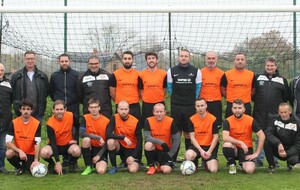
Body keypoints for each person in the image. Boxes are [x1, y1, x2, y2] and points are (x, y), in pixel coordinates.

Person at [253, 56, 290, 169]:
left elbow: (285, 98)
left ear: (276, 67)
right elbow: (253, 95)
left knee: (273, 137)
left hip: (274, 115)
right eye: (268, 65)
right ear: (265, 66)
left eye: (272, 66)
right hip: (259, 113)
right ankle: (258, 159)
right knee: (260, 136)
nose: (269, 67)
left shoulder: (282, 80)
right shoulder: (258, 77)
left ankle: (275, 160)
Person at [167, 49, 202, 160]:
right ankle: (173, 159)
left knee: (188, 133)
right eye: (181, 56)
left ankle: (189, 158)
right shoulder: (171, 71)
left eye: (186, 56)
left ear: (189, 58)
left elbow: (198, 87)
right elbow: (169, 88)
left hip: (190, 106)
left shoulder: (196, 71)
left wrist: (191, 100)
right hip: (176, 105)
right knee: (177, 133)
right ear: (178, 57)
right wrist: (177, 98)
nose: (183, 58)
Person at [222, 99, 265, 174]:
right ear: (232, 109)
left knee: (249, 170)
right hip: (234, 148)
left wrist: (257, 153)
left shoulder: (250, 120)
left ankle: (243, 164)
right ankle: (232, 164)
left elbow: (262, 136)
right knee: (226, 145)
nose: (237, 110)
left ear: (244, 109)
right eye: (235, 108)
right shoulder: (227, 121)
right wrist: (240, 143)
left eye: (239, 108)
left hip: (246, 149)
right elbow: (225, 137)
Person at [40, 100, 81, 175]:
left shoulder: (70, 115)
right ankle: (52, 164)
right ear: (53, 110)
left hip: (68, 145)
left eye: (61, 109)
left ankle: (71, 163)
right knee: (44, 152)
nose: (59, 112)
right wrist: (58, 162)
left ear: (65, 109)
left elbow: (78, 126)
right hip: (55, 145)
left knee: (77, 151)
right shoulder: (50, 123)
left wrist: (75, 139)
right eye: (57, 109)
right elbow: (53, 143)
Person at [10, 50, 49, 123]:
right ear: (24, 60)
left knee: (36, 134)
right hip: (22, 113)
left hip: (38, 113)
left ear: (35, 59)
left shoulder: (43, 76)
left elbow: (46, 92)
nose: (30, 61)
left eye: (32, 58)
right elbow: (12, 93)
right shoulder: (16, 76)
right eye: (28, 59)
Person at [5, 99, 42, 175]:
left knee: (30, 170)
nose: (26, 111)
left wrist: (36, 160)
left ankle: (25, 165)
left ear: (31, 110)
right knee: (8, 153)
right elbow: (7, 142)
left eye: (28, 109)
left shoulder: (36, 123)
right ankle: (19, 167)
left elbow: (37, 143)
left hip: (30, 153)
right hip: (18, 152)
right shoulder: (14, 122)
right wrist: (19, 151)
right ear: (20, 110)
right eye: (23, 109)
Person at [106, 100, 142, 174]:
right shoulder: (114, 118)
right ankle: (114, 166)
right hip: (120, 146)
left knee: (132, 170)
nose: (123, 111)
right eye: (121, 109)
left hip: (131, 148)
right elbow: (108, 134)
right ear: (117, 110)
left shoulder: (135, 121)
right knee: (110, 141)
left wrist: (133, 156)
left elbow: (140, 140)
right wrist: (123, 138)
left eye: (125, 109)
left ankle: (129, 161)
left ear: (129, 109)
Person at [50, 53, 80, 140]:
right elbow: (51, 91)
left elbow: (80, 91)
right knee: (60, 130)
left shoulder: (77, 75)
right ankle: (59, 149)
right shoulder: (54, 76)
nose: (64, 63)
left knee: (74, 130)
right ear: (59, 62)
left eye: (66, 61)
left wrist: (75, 100)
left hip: (73, 107)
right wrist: (57, 100)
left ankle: (74, 151)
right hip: (59, 108)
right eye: (62, 61)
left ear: (70, 61)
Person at [184, 98, 219, 173]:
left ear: (206, 106)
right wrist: (201, 150)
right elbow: (192, 137)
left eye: (202, 105)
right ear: (195, 107)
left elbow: (216, 137)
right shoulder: (192, 119)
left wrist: (209, 151)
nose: (200, 108)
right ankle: (194, 163)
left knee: (213, 170)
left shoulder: (213, 119)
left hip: (209, 147)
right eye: (198, 106)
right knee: (188, 155)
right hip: (197, 146)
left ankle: (207, 162)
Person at [144, 103, 180, 175]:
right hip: (154, 150)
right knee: (148, 144)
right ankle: (152, 166)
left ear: (165, 112)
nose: (159, 114)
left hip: (166, 151)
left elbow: (177, 139)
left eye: (161, 111)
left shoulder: (171, 121)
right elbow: (147, 137)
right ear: (153, 112)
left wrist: (170, 154)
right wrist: (161, 142)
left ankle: (161, 164)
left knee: (166, 171)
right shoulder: (148, 120)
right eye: (157, 112)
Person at [265, 103, 300, 173]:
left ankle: (290, 164)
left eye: (285, 112)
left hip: (291, 150)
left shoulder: (297, 123)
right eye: (281, 112)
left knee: (293, 160)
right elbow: (268, 133)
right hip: (279, 148)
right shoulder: (275, 121)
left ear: (290, 111)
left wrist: (287, 153)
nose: (283, 114)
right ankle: (271, 166)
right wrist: (278, 143)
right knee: (266, 142)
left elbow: (298, 144)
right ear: (278, 112)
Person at [80, 98, 110, 175]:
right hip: (90, 147)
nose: (94, 109)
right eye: (91, 107)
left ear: (99, 108)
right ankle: (88, 166)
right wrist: (98, 137)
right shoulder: (85, 118)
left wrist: (99, 155)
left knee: (100, 171)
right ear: (88, 108)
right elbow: (81, 133)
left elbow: (108, 141)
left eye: (95, 107)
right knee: (86, 140)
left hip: (101, 149)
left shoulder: (106, 121)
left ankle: (98, 163)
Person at [110, 51, 142, 120]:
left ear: (132, 60)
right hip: (121, 106)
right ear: (122, 60)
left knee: (136, 128)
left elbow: (140, 91)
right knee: (119, 128)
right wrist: (120, 101)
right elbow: (112, 91)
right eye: (125, 58)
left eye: (129, 59)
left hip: (134, 105)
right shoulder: (115, 74)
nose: (127, 61)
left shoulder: (138, 74)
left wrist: (134, 99)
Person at [221, 53, 255, 118]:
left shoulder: (251, 74)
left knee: (246, 126)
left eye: (242, 59)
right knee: (230, 126)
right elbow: (222, 88)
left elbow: (253, 89)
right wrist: (229, 97)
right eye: (238, 59)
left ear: (245, 62)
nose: (240, 61)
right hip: (231, 105)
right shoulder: (227, 74)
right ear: (234, 61)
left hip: (245, 105)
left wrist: (246, 97)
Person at [139, 52, 167, 126]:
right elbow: (141, 90)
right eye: (149, 58)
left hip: (159, 102)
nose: (151, 60)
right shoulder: (141, 75)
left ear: (156, 60)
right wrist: (146, 99)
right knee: (147, 125)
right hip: (147, 104)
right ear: (146, 61)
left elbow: (164, 89)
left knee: (161, 125)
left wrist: (159, 97)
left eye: (153, 58)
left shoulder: (163, 73)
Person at [200, 51, 224, 127]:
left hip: (216, 103)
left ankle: (216, 139)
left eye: (213, 58)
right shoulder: (200, 72)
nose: (211, 60)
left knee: (216, 126)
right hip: (203, 103)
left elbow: (223, 89)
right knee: (204, 126)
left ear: (216, 59)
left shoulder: (221, 73)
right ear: (205, 59)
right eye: (209, 58)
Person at [0, 63, 12, 174]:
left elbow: (11, 100)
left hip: (4, 120)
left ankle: (1, 166)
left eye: (2, 70)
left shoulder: (8, 83)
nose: (0, 72)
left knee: (3, 146)